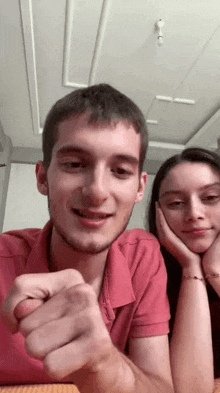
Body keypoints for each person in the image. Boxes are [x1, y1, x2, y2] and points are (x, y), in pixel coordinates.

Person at [0, 84, 173, 393]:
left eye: (120, 171)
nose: (96, 191)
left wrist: (104, 363)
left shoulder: (143, 257)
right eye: (75, 165)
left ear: (139, 188)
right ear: (42, 177)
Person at [147, 146, 220, 393]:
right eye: (176, 203)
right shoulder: (147, 275)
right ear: (158, 212)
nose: (194, 214)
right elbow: (191, 390)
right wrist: (191, 267)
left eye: (210, 198)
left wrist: (215, 270)